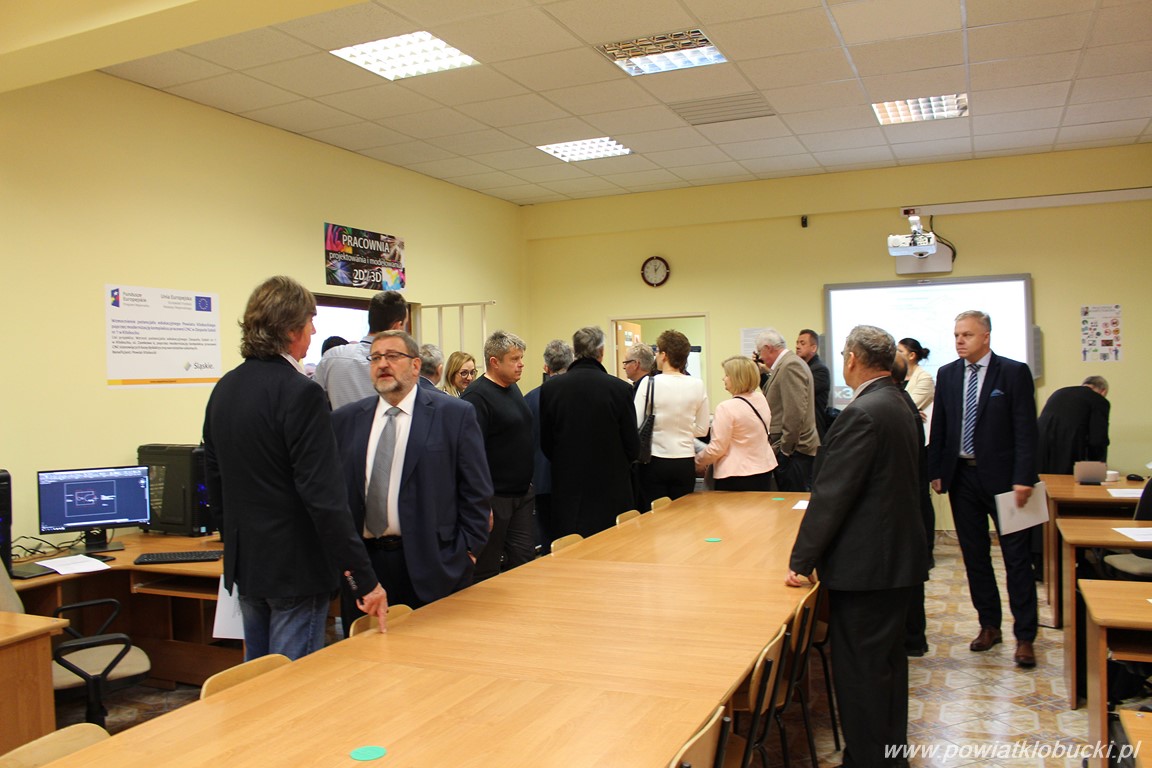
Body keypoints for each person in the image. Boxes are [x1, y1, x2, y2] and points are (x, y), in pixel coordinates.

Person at [202, 275, 387, 660]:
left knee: (258, 677)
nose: (314, 331)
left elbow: (215, 478)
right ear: (290, 330)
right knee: (292, 682)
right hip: (295, 569)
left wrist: (235, 540)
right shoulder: (301, 393)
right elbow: (324, 496)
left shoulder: (225, 389)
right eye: (309, 322)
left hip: (248, 564)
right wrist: (363, 577)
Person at [787, 325, 928, 768]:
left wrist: (801, 560)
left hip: (868, 565)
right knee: (887, 668)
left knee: (861, 673)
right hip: (896, 558)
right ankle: (890, 754)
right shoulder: (899, 401)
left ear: (851, 359)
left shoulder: (863, 412)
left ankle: (868, 759)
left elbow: (833, 495)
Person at [330, 330, 491, 634]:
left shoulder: (453, 415)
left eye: (393, 356)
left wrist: (467, 552)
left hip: (434, 562)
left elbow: (477, 491)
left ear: (416, 365)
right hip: (366, 566)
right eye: (376, 358)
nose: (382, 364)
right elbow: (336, 498)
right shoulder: (346, 420)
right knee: (366, 655)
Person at [926, 310, 1040, 668]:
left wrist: (1024, 477)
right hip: (963, 478)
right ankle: (989, 625)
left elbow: (1026, 430)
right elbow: (940, 426)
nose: (960, 341)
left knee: (1017, 560)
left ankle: (1025, 636)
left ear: (986, 337)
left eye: (968, 335)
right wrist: (937, 470)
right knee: (975, 557)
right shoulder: (947, 374)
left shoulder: (1013, 372)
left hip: (1008, 482)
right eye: (956, 335)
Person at [540, 326, 640, 536]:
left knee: (571, 546)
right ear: (601, 352)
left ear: (575, 352)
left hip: (568, 488)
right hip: (611, 489)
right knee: (614, 545)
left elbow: (547, 443)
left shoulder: (551, 389)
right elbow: (632, 446)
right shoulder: (620, 389)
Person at [461, 331, 535, 582]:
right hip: (494, 498)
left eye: (521, 358)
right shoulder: (476, 397)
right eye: (514, 359)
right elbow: (471, 454)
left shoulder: (512, 387)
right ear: (494, 362)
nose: (521, 364)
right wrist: (481, 502)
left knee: (523, 561)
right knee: (487, 567)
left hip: (521, 493)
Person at [634, 330, 710, 507]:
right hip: (685, 461)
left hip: (654, 460)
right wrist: (683, 428)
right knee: (682, 514)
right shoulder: (697, 384)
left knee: (654, 514)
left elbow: (636, 423)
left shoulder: (649, 383)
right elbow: (702, 429)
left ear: (664, 355)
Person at [891, 353, 935, 657]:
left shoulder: (893, 406)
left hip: (903, 508)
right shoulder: (904, 403)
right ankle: (913, 637)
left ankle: (912, 638)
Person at [314, 290, 407, 409]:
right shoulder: (403, 364)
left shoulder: (331, 357)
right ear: (397, 327)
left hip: (339, 421)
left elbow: (313, 401)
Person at [695, 356, 777, 491]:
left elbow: (717, 448)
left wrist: (697, 461)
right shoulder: (761, 399)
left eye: (727, 375)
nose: (723, 378)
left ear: (737, 378)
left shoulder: (726, 408)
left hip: (735, 475)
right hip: (764, 469)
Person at [524, 339, 574, 551]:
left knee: (547, 540)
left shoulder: (529, 399)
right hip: (573, 479)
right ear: (571, 364)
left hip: (542, 479)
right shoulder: (578, 395)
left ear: (546, 367)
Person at [756, 328, 820, 491]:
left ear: (768, 348)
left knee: (794, 500)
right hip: (794, 450)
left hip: (795, 451)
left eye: (760, 352)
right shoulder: (785, 365)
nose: (761, 357)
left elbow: (795, 413)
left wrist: (785, 450)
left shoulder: (790, 365)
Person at [1036, 375, 1110, 473]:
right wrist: (1097, 467)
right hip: (1068, 447)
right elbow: (1098, 438)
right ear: (1103, 391)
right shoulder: (1098, 400)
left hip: (1039, 444)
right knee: (1066, 480)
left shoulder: (1059, 392)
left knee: (1044, 478)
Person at [796, 329, 830, 437]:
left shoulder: (820, 370)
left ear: (813, 348)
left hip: (814, 433)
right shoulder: (801, 368)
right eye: (797, 343)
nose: (797, 346)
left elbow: (799, 393)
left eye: (802, 343)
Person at [898, 337, 935, 416]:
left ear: (912, 355)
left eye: (900, 352)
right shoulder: (895, 375)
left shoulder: (925, 378)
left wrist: (912, 413)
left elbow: (909, 406)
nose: (895, 355)